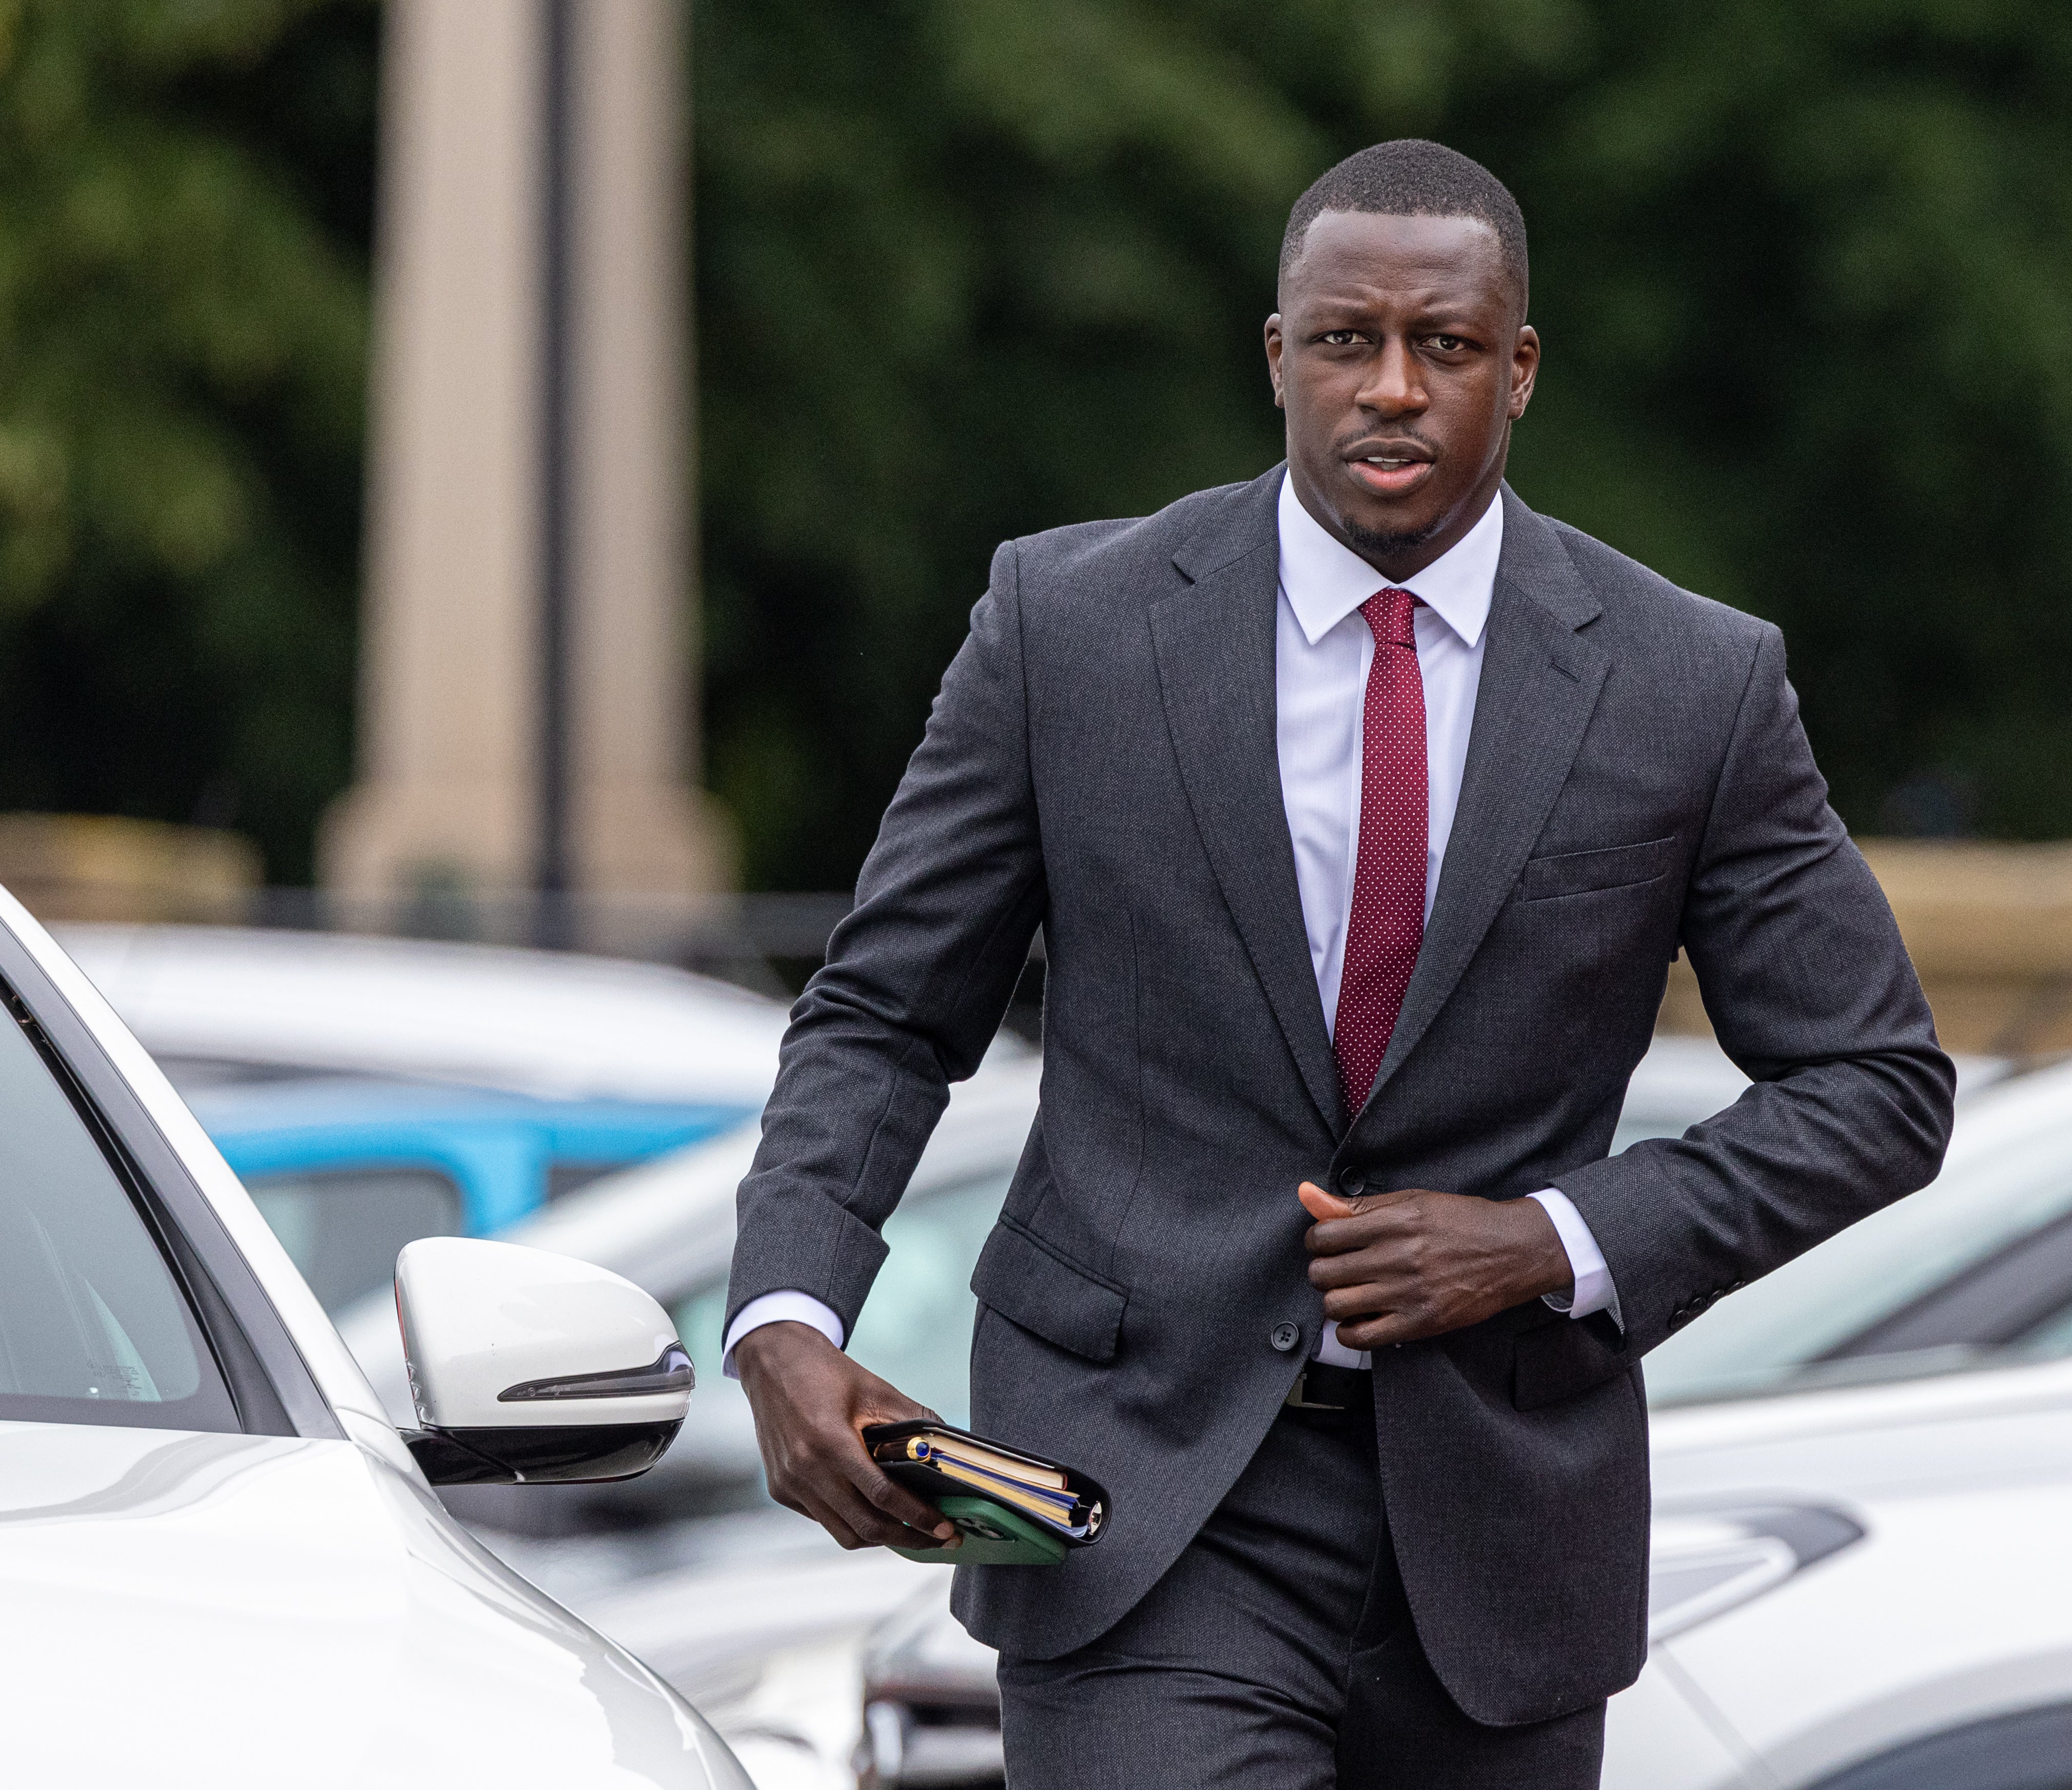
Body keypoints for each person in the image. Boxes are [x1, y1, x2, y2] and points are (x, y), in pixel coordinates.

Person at [724, 139, 1954, 1788]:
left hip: (1500, 1528)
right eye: (1342, 340)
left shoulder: (1688, 685)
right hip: (1142, 1506)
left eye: (1442, 347)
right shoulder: (1065, 630)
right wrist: (788, 1315)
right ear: (1276, 354)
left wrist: (1548, 1239)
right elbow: (881, 1015)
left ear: (1516, 371)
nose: (1390, 388)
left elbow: (1878, 1086)